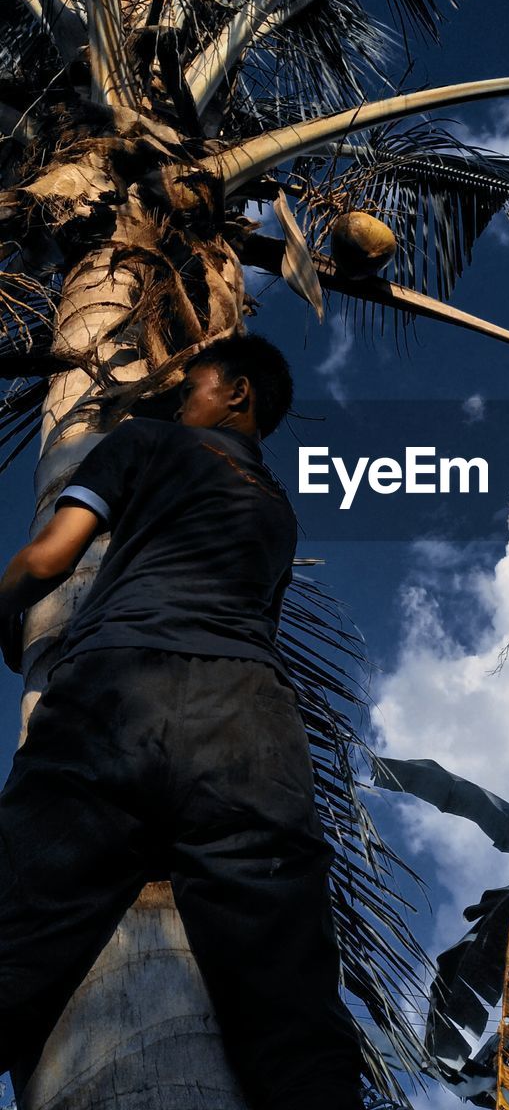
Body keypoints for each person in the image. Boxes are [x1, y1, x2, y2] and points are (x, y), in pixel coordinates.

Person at [0, 332, 364, 1110]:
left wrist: (5, 617)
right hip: (250, 723)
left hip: (118, 690)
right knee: (289, 997)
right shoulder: (277, 511)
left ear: (238, 393)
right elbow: (256, 627)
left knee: (18, 928)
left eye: (193, 383)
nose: (177, 396)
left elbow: (51, 558)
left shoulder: (143, 442)